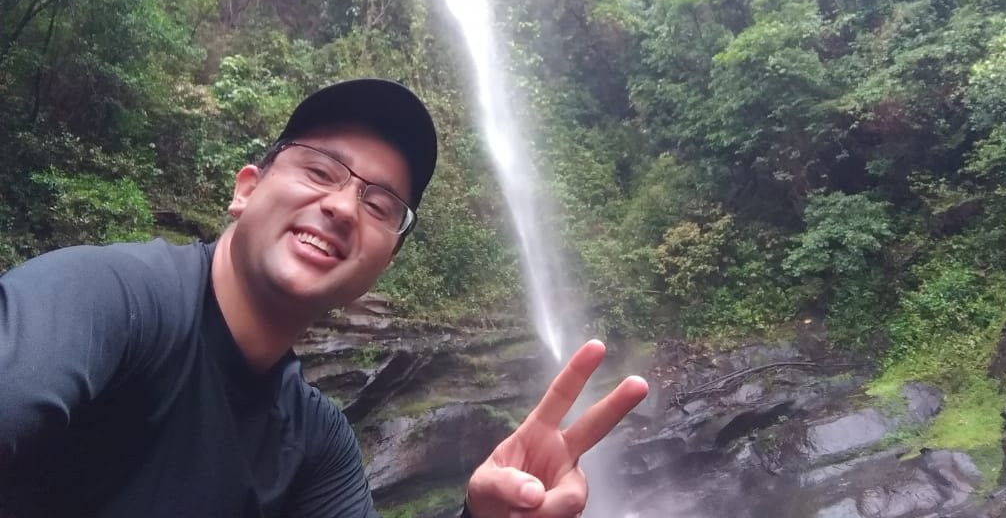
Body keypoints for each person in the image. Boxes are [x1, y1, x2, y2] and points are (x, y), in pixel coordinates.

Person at [0, 78, 649, 518]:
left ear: (385, 260)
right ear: (246, 188)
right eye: (319, 170)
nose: (342, 207)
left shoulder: (315, 442)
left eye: (379, 204)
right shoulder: (112, 300)